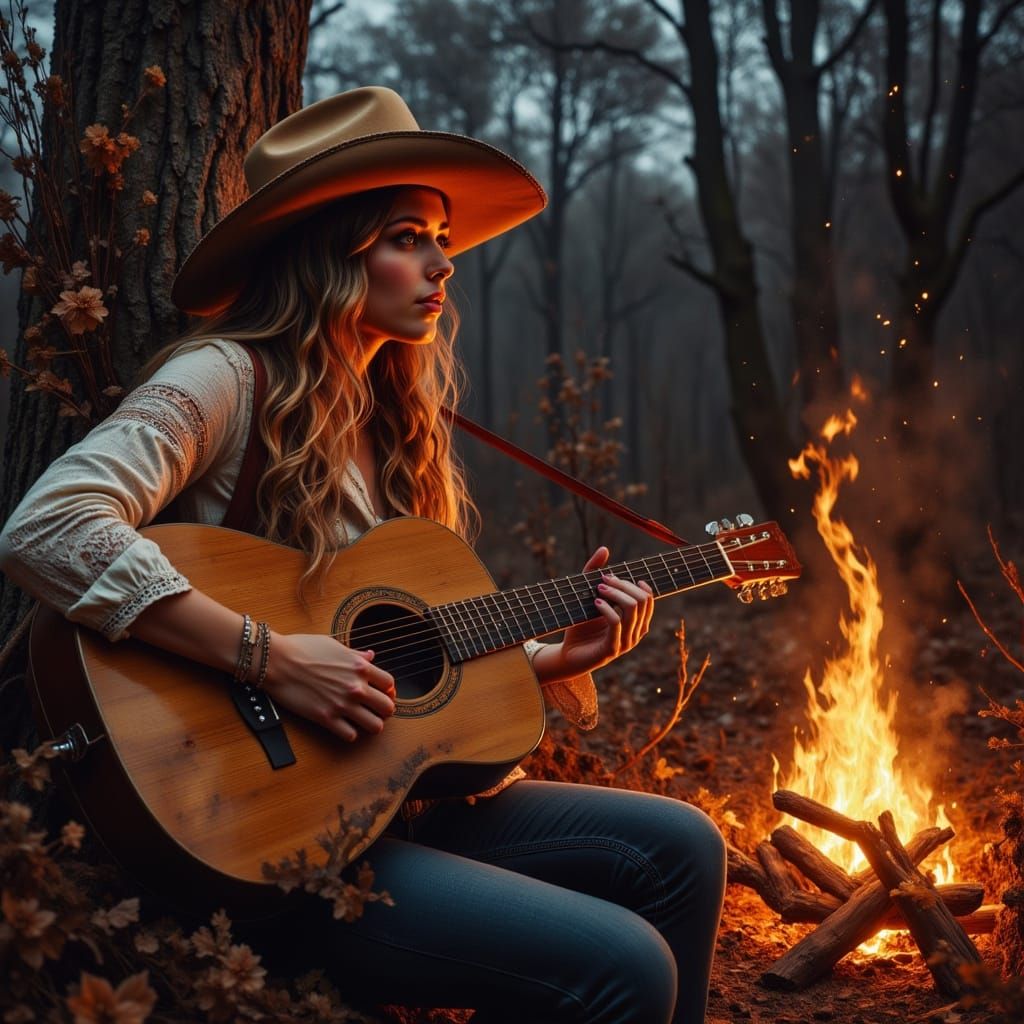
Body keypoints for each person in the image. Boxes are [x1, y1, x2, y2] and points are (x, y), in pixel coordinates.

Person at [0, 87, 725, 1023]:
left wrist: (553, 659)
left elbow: (398, 665)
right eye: (408, 236)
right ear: (330, 254)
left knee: (686, 845)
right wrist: (267, 657)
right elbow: (48, 526)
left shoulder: (391, 421)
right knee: (623, 964)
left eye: (442, 237)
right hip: (257, 835)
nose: (442, 263)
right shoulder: (223, 377)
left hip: (386, 804)